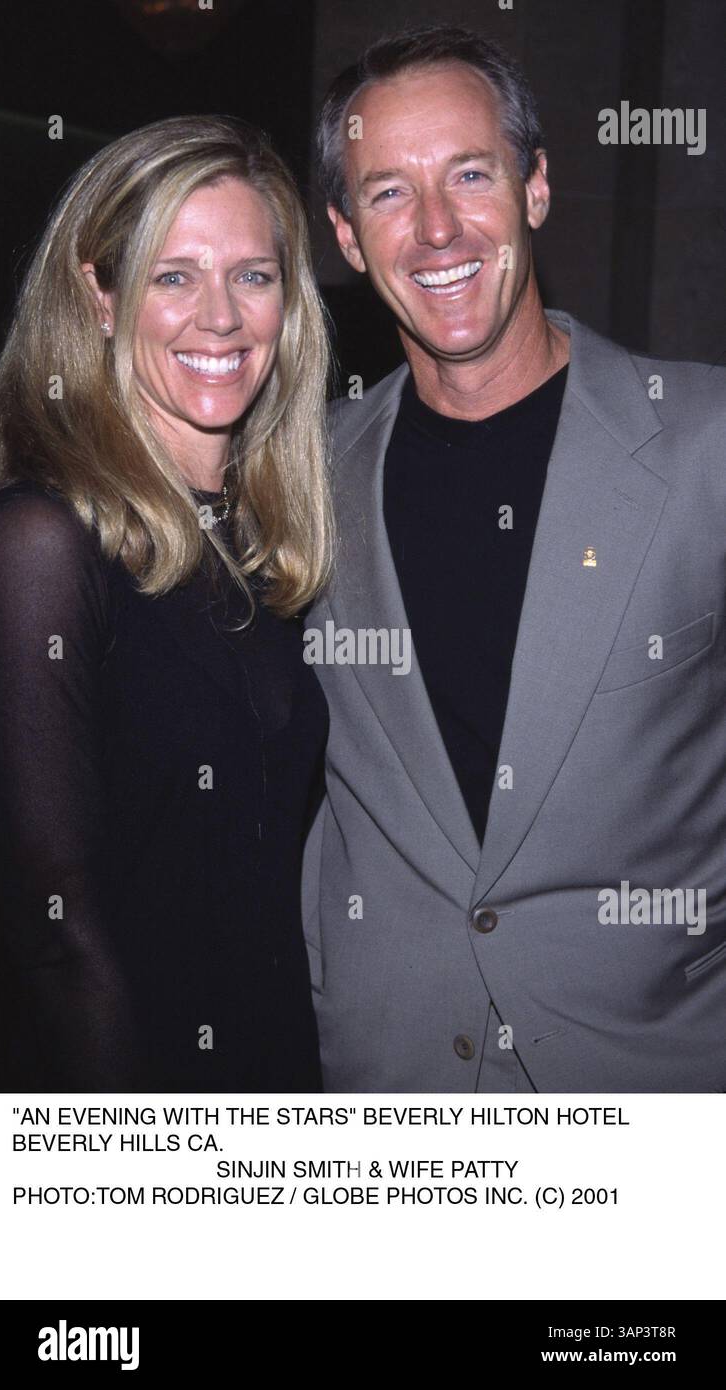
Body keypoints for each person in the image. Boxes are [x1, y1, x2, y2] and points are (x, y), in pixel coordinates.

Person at [302, 25, 726, 1092]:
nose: (438, 230)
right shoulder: (300, 479)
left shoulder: (705, 443)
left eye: (471, 175)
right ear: (347, 238)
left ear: (536, 188)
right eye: (389, 194)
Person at [0, 114, 333, 1092]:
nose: (219, 316)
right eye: (173, 275)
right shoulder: (39, 542)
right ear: (99, 294)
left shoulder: (272, 554)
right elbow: (58, 941)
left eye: (252, 276)